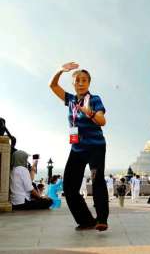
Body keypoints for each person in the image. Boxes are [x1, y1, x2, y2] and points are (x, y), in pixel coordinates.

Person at [49, 62, 109, 231]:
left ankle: (102, 219)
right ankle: (86, 221)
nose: (81, 83)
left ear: (89, 83)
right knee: (69, 187)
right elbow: (52, 85)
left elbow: (102, 121)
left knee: (97, 180)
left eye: (84, 80)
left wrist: (88, 112)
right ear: (73, 83)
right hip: (77, 148)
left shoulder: (95, 99)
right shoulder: (70, 100)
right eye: (77, 80)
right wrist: (60, 70)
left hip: (95, 147)